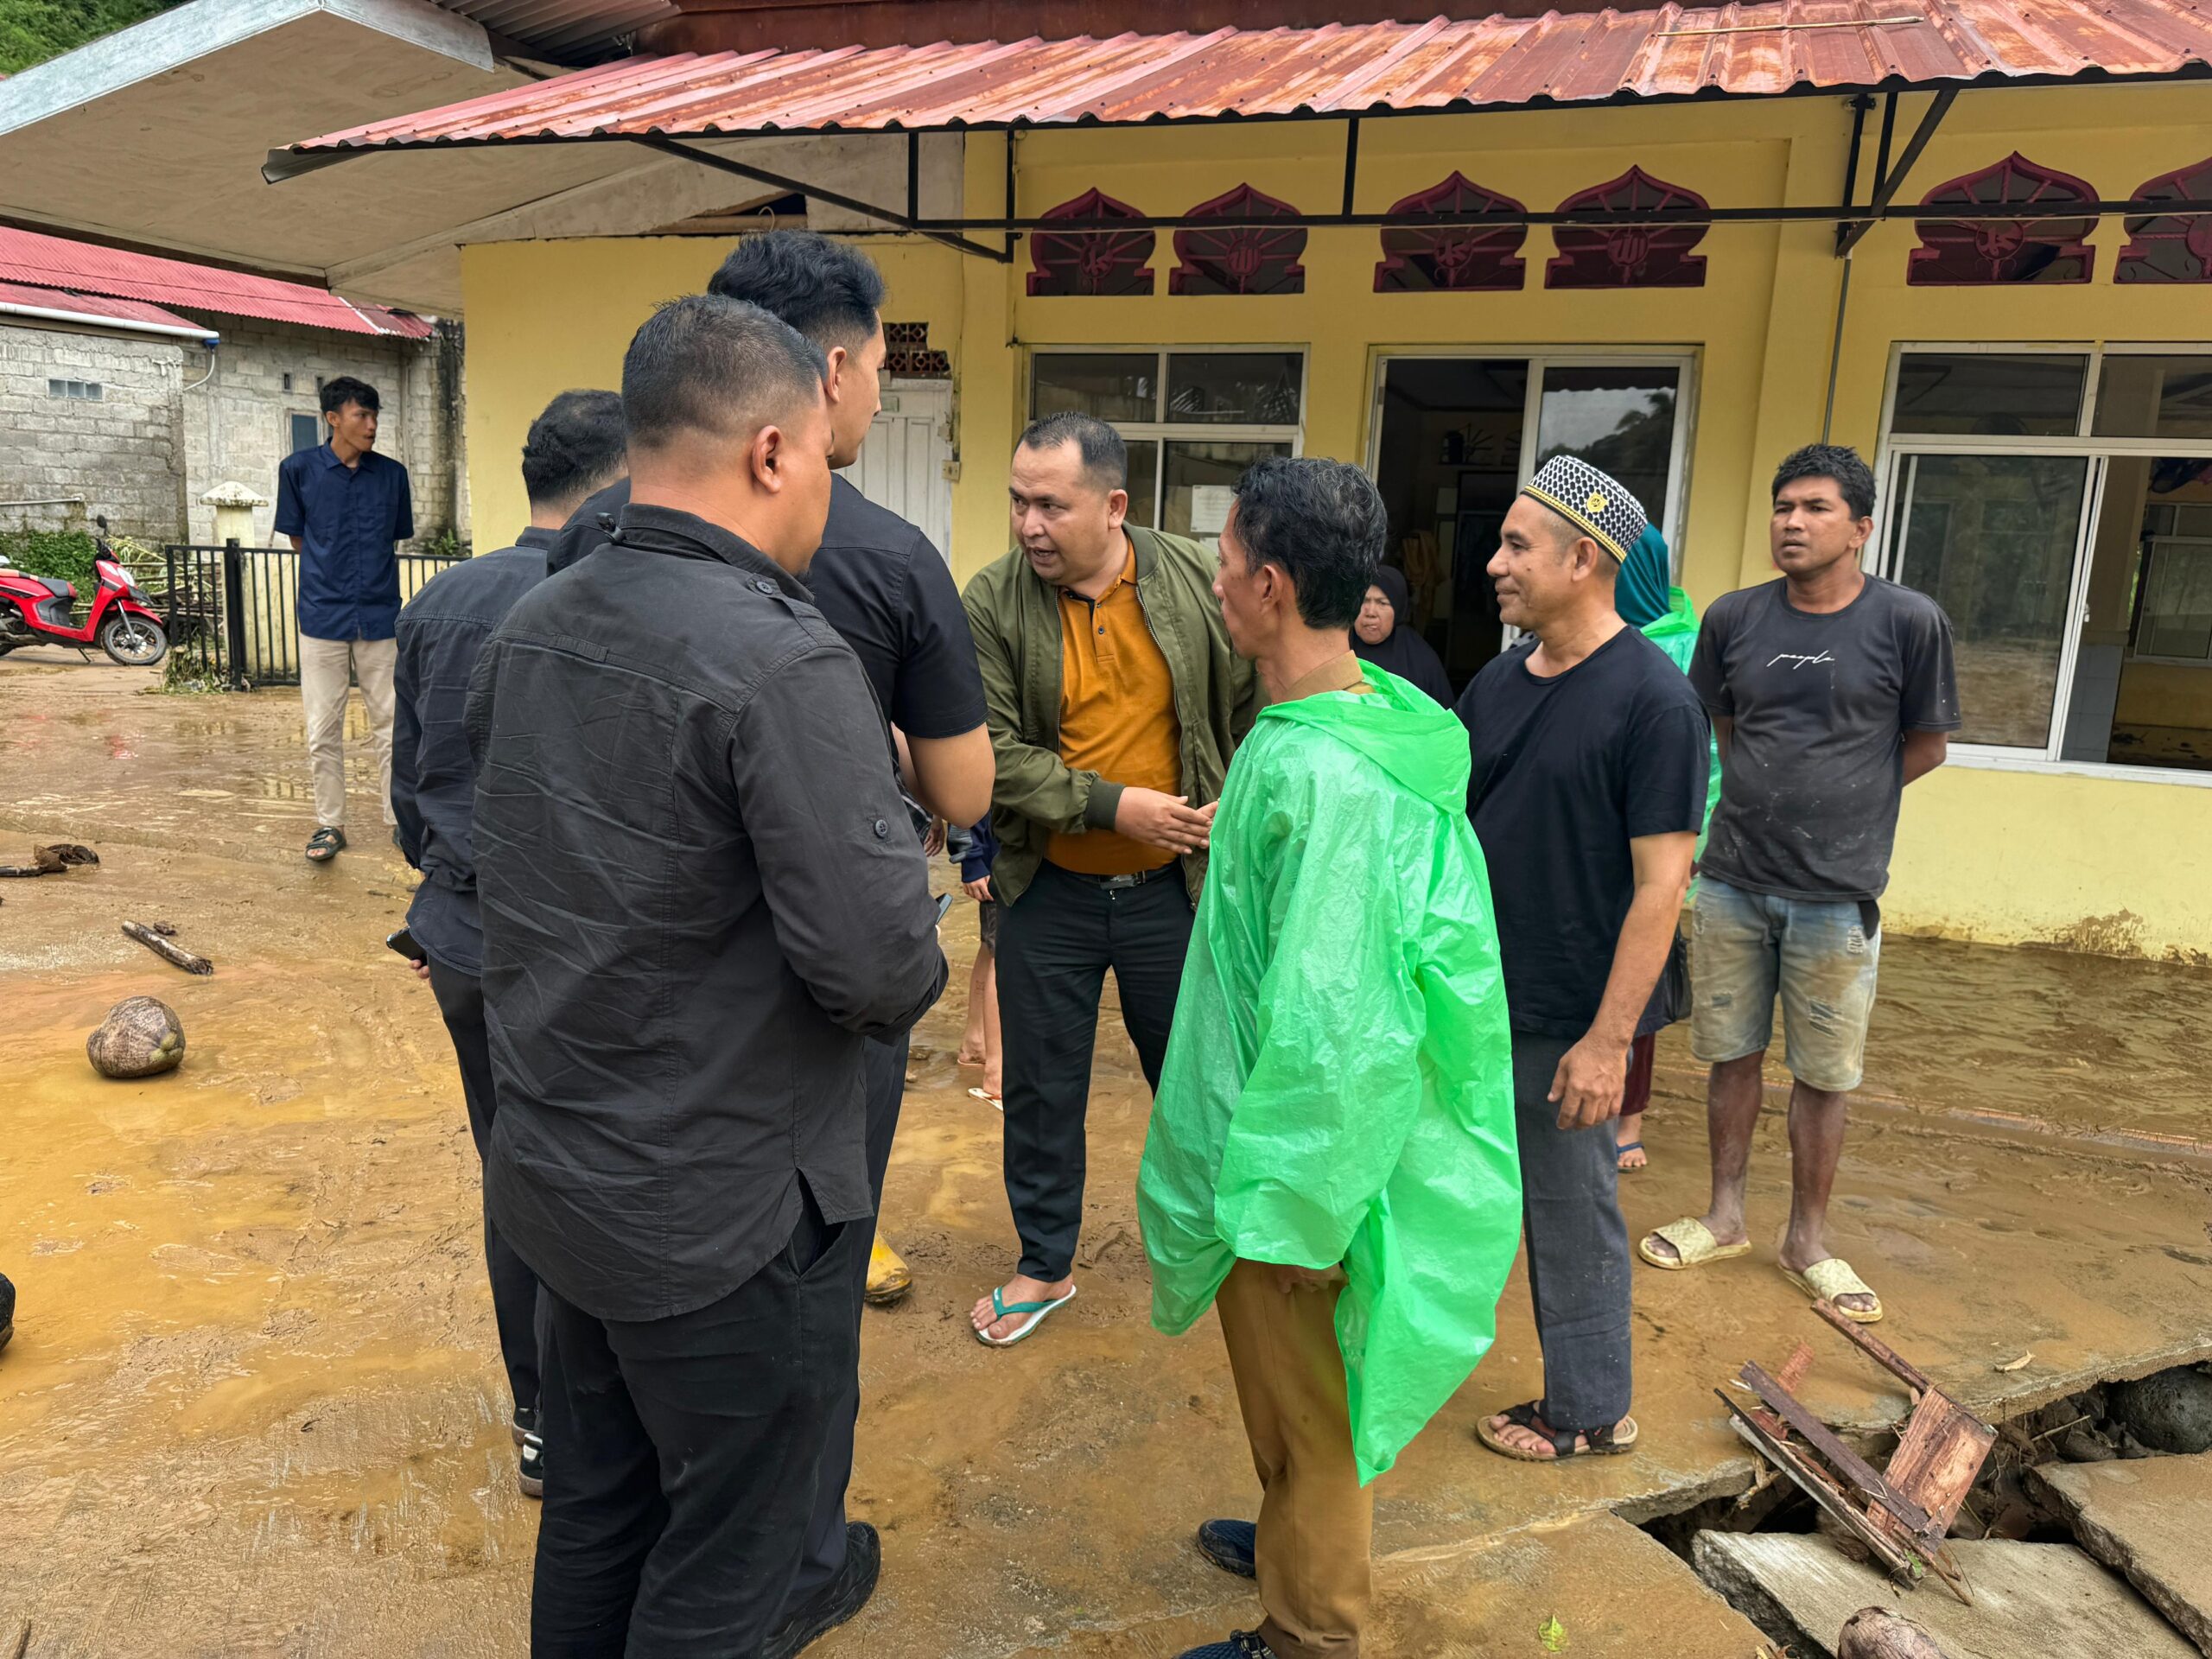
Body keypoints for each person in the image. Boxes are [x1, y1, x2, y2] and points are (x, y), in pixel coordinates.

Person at [468, 296, 946, 1656]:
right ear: (774, 451)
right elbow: (880, 971)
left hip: (563, 1183)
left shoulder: (534, 619)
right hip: (724, 1220)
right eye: (830, 465)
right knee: (729, 1564)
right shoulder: (779, 657)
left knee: (599, 1512)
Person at [549, 233, 992, 1331]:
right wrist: (875, 742)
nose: (878, 396)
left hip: (610, 959)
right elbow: (965, 794)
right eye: (879, 369)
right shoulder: (888, 559)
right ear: (828, 375)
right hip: (808, 989)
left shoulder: (593, 539)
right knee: (797, 1280)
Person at [1140, 458, 1521, 1659]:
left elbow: (1337, 1025)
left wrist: (1302, 1212)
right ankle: (1294, 1532)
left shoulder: (1323, 774)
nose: (1213, 582)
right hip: (1304, 1141)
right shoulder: (1363, 718)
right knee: (1299, 1401)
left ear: (1269, 584)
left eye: (1224, 563)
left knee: (1309, 1410)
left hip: (1305, 1164)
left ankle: (1310, 1630)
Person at [1639, 445, 1958, 1325]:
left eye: (1816, 508)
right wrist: (1768, 798)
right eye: (1783, 506)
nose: (1792, 522)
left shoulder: (1908, 622)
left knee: (1824, 1073)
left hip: (1836, 891)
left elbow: (1926, 745)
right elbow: (1723, 727)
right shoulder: (1735, 617)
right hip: (1734, 878)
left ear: (1860, 528)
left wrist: (1847, 796)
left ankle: (1807, 1240)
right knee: (1730, 1054)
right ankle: (1724, 1216)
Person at [963, 412, 1257, 1347]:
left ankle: (1220, 1248)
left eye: (1052, 505)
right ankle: (1044, 1264)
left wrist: (1241, 791)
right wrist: (1110, 805)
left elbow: (1253, 694)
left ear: (1114, 505)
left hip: (1174, 892)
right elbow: (993, 752)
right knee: (1041, 1092)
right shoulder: (993, 599)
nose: (1029, 525)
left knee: (1199, 1081)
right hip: (1048, 888)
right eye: (1019, 502)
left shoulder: (1192, 577)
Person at [390, 388, 628, 1499]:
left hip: (464, 939)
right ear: (622, 481)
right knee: (598, 1180)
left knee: (511, 1173)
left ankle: (539, 1419)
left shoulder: (441, 600)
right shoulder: (609, 604)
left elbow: (408, 797)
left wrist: (449, 892)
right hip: (575, 956)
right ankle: (601, 1418)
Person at [1457, 454, 1709, 1464]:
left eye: (1516, 545)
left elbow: (1661, 886)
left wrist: (1608, 1043)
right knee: (1452, 1189)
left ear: (1583, 559)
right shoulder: (1495, 682)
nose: (1494, 564)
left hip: (1568, 1014)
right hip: (1473, 998)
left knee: (1569, 1207)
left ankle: (1591, 1410)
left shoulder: (1654, 702)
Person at [1609, 524, 1722, 1174]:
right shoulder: (1583, 642)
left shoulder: (1686, 649)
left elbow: (1711, 759)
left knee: (1640, 977)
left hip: (1663, 838)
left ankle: (1631, 1116)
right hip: (1599, 840)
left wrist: (1690, 841)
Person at [274, 375, 414, 864]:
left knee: (392, 725)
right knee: (322, 727)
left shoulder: (392, 476)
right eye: (362, 415)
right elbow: (299, 540)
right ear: (333, 418)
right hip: (322, 617)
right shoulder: (297, 471)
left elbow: (393, 537)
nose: (372, 425)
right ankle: (330, 824)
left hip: (379, 615)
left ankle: (401, 822)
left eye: (375, 416)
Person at [953, 815, 1004, 1110]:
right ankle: (997, 1079)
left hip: (994, 854)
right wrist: (970, 859)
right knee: (1005, 953)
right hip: (999, 858)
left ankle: (976, 1044)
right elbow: (966, 801)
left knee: (992, 946)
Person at [1349, 564, 1452, 706]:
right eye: (1363, 601)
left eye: (1382, 603)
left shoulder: (1420, 661)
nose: (1371, 612)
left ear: (1398, 609)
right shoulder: (1337, 649)